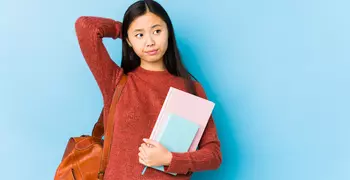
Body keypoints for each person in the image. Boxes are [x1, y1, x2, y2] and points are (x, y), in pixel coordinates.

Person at [74, 0, 222, 179]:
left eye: (157, 31)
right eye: (139, 35)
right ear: (128, 41)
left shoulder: (191, 89)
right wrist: (124, 29)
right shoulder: (117, 81)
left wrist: (170, 158)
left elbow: (213, 155)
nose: (150, 41)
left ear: (168, 32)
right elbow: (85, 26)